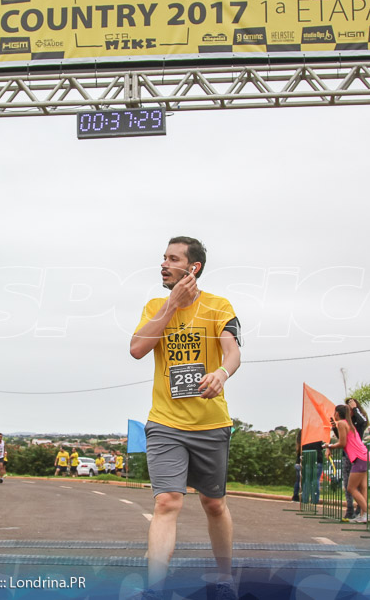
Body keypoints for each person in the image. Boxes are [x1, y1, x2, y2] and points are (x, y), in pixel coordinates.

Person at [129, 236, 242, 592]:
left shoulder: (218, 306)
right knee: (166, 501)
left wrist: (221, 373)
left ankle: (225, 578)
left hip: (210, 422)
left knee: (213, 503)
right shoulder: (153, 307)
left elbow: (233, 351)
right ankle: (155, 588)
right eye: (163, 257)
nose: (163, 264)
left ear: (193, 268)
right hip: (165, 422)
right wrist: (171, 306)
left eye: (172, 258)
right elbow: (136, 349)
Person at [325, 405, 369, 524]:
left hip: (358, 458)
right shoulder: (349, 424)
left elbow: (342, 443)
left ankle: (367, 513)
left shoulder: (341, 424)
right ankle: (363, 515)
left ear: (337, 414)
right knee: (362, 487)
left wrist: (329, 446)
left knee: (351, 488)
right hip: (365, 456)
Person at [341, 398, 368, 521]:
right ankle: (350, 509)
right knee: (347, 484)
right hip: (347, 454)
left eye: (349, 409)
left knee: (356, 486)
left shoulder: (358, 421)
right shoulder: (346, 422)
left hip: (356, 455)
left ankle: (361, 510)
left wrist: (355, 408)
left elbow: (364, 421)